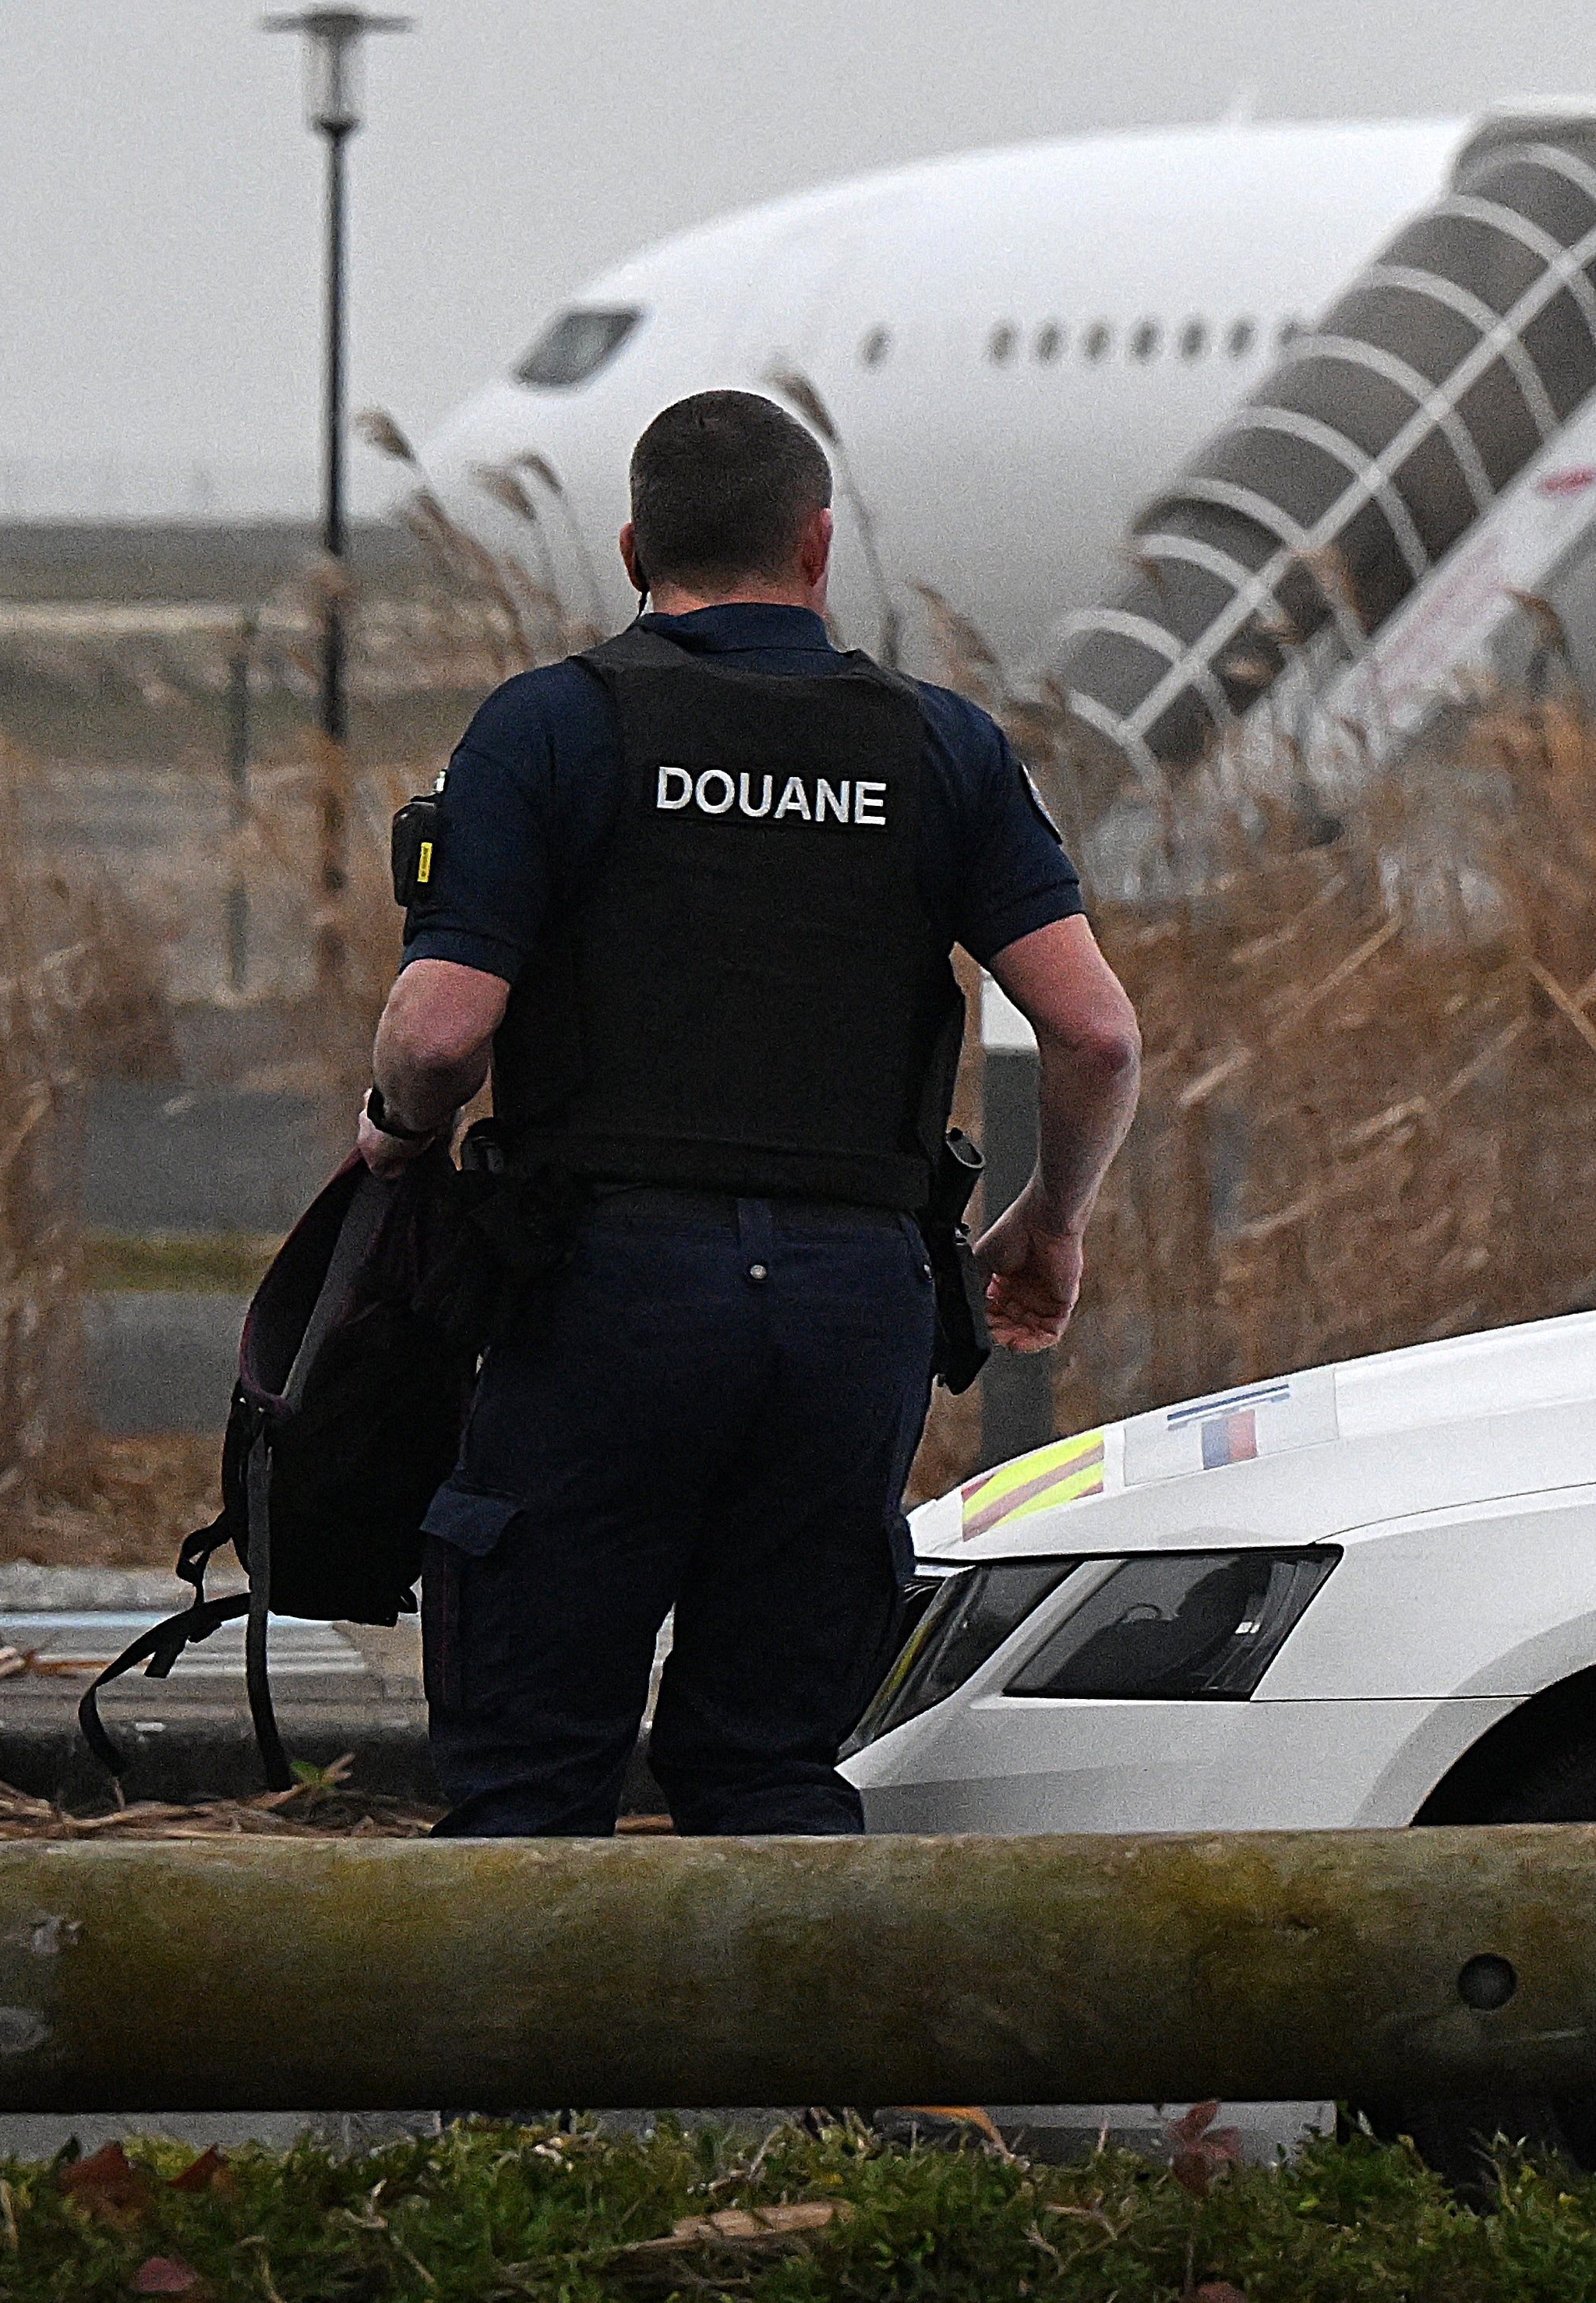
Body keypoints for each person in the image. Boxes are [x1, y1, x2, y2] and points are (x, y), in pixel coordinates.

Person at [355, 388, 1143, 1839]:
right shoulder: (942, 745)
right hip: (854, 1307)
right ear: (818, 543)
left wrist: (393, 1136)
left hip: (604, 1294)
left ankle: (531, 2075)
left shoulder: (552, 727)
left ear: (633, 543)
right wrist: (1049, 1219)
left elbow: (443, 1028)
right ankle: (804, 2075)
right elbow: (1094, 1028)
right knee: (770, 1771)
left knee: (531, 1776)